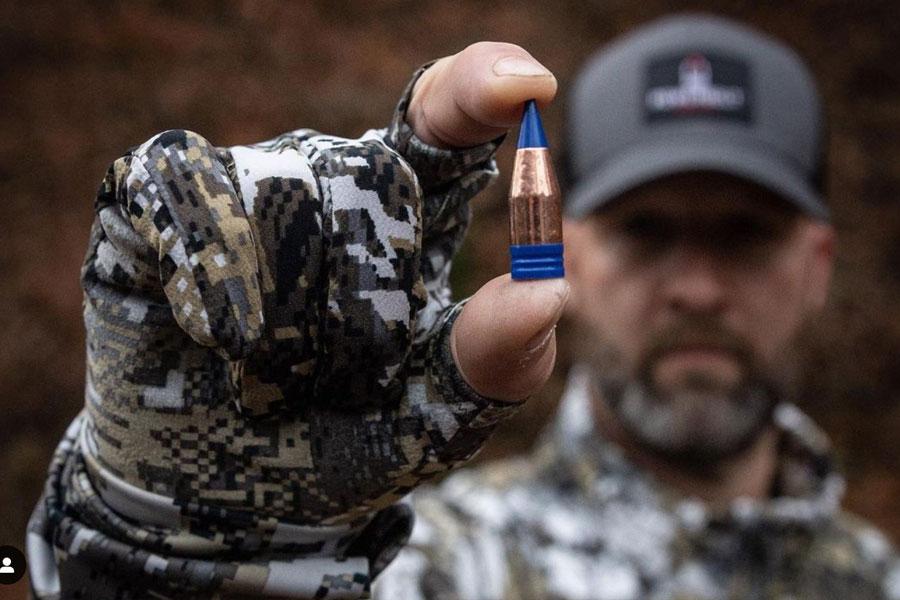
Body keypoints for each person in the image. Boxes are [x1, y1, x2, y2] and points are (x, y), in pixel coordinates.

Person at [372, 14, 900, 600]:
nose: (697, 290)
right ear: (565, 253)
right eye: (644, 231)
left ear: (818, 265)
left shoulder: (879, 579)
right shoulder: (430, 564)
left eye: (747, 234)